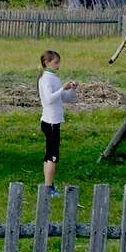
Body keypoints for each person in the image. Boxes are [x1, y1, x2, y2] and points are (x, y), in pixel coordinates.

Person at [38, 49, 78, 197]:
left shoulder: (53, 77)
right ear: (46, 63)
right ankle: (48, 188)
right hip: (51, 122)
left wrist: (72, 90)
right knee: (53, 157)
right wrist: (62, 88)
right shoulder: (46, 79)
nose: (58, 65)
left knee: (49, 154)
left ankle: (47, 185)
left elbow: (65, 98)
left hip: (54, 121)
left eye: (59, 62)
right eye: (56, 62)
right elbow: (49, 99)